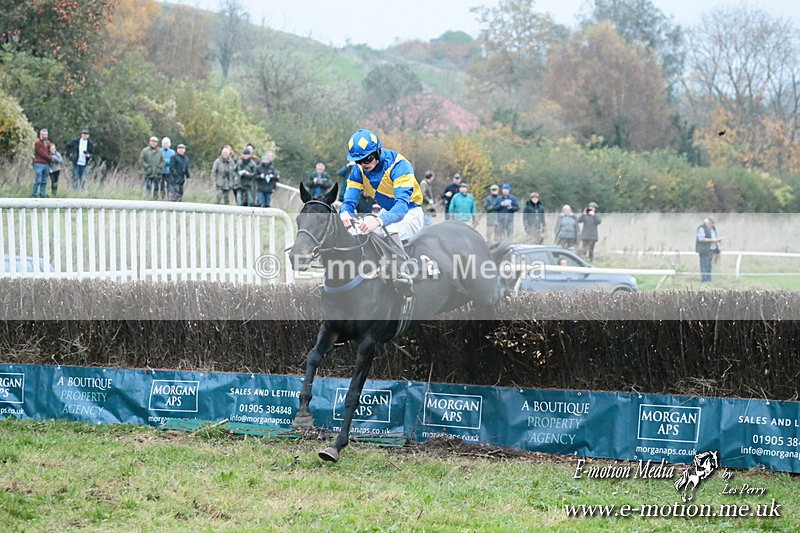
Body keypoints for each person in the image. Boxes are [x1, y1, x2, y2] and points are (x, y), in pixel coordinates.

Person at [339, 128, 424, 296]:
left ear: (378, 151)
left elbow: (401, 207)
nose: (364, 164)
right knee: (356, 230)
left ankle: (403, 274)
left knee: (390, 230)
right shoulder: (358, 170)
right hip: (387, 212)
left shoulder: (400, 166)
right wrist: (344, 212)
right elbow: (349, 199)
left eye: (368, 158)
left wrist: (378, 221)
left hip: (410, 212)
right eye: (359, 160)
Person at [696, 216, 722, 282]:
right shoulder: (702, 228)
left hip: (712, 250)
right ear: (708, 222)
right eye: (712, 223)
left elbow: (714, 237)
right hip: (704, 250)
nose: (713, 225)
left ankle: (709, 279)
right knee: (704, 265)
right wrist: (713, 240)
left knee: (709, 265)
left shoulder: (713, 229)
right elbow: (701, 239)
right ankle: (704, 279)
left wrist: (717, 241)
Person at [32, 128, 51, 198]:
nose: (44, 136)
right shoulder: (38, 143)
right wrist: (50, 158)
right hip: (39, 163)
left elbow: (51, 151)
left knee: (44, 181)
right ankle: (33, 195)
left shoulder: (48, 143)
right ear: (40, 135)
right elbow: (41, 153)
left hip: (46, 164)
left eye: (46, 134)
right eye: (43, 134)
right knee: (38, 180)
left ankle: (42, 195)